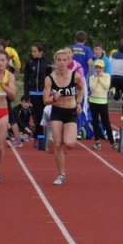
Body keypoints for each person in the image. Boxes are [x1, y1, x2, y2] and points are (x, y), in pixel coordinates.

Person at [43, 49, 85, 186]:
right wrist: (53, 99)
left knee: (69, 143)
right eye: (59, 60)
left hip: (71, 112)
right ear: (55, 61)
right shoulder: (49, 79)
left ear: (68, 61)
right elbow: (45, 100)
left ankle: (62, 169)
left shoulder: (75, 76)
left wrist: (78, 103)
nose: (61, 63)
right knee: (57, 144)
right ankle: (61, 173)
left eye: (64, 60)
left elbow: (82, 88)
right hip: (57, 112)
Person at [0, 50, 17, 184]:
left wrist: (3, 86)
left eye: (3, 60)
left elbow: (13, 96)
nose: (0, 63)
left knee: (0, 146)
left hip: (2, 112)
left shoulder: (10, 76)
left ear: (7, 61)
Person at [23, 42, 53, 147]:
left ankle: (46, 137)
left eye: (35, 51)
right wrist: (26, 93)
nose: (32, 53)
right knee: (37, 116)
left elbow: (51, 79)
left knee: (45, 116)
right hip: (33, 93)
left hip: (44, 93)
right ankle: (38, 138)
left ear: (41, 52)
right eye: (32, 51)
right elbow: (26, 79)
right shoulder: (29, 62)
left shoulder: (47, 63)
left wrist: (50, 92)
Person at [89, 59, 115, 150]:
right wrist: (96, 79)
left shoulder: (107, 76)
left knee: (106, 122)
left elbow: (106, 86)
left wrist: (99, 78)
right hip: (93, 101)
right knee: (95, 122)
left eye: (99, 68)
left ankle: (112, 142)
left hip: (103, 102)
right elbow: (92, 88)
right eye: (96, 67)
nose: (98, 69)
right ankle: (97, 142)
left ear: (103, 68)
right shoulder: (92, 77)